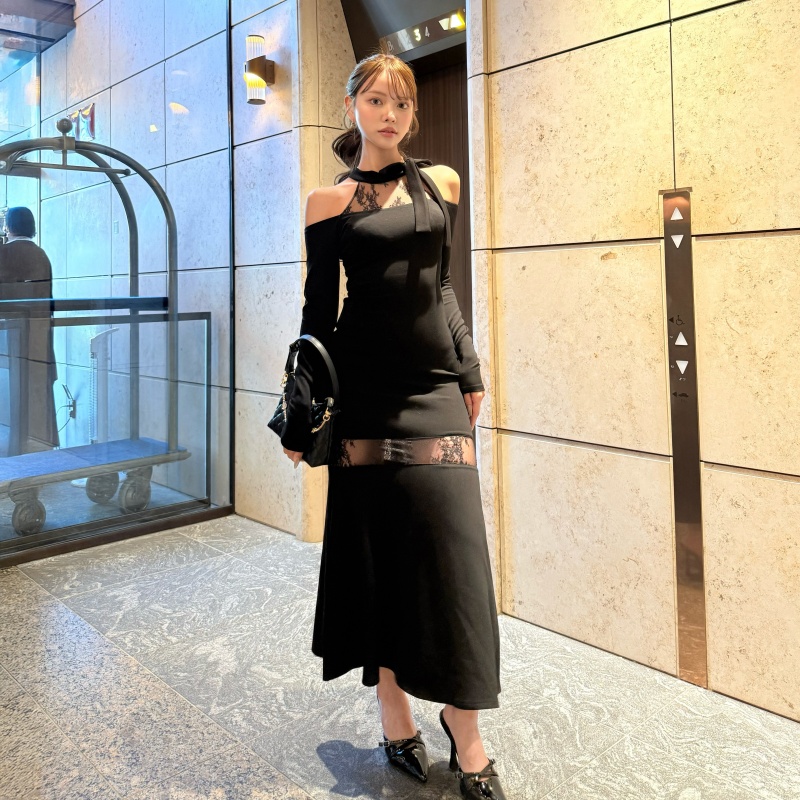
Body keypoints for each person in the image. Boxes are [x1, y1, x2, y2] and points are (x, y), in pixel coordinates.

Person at [279, 53, 506, 799]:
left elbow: (443, 285)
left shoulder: (441, 184)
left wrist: (469, 370)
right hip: (366, 395)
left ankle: (465, 727)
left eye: (401, 103)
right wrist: (301, 413)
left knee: (454, 554)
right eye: (376, 100)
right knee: (375, 553)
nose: (390, 114)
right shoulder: (327, 202)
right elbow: (318, 315)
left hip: (435, 386)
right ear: (352, 106)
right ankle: (393, 710)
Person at [0, 206, 59, 455]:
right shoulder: (41, 255)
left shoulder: (4, 253)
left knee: (9, 397)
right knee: (36, 393)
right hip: (39, 336)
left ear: (8, 227)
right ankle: (36, 448)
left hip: (8, 338)